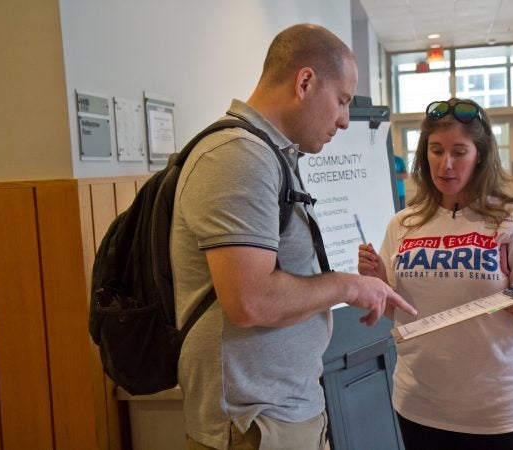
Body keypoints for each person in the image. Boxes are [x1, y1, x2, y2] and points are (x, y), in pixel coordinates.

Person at [171, 24, 417, 450]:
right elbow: (250, 300)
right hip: (254, 422)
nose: (344, 120)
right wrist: (348, 284)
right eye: (341, 100)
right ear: (304, 81)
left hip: (280, 410)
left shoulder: (268, 154)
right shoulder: (238, 157)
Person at [358, 98, 513, 450]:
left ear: (481, 155)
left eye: (459, 152)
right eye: (436, 150)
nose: (445, 164)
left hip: (494, 407)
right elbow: (401, 315)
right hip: (419, 401)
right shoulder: (403, 223)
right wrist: (380, 284)